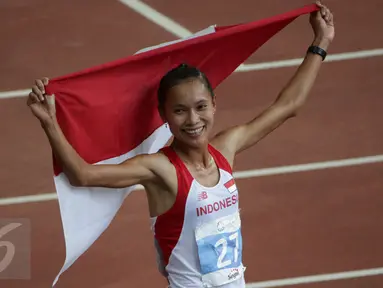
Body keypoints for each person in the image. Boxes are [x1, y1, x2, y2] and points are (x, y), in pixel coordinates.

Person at [27, 2, 334, 287]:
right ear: (164, 115)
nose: (192, 120)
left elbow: (288, 106)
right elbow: (84, 175)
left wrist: (320, 43)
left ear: (214, 105)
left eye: (200, 107)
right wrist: (49, 123)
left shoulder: (225, 149)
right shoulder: (161, 169)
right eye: (179, 110)